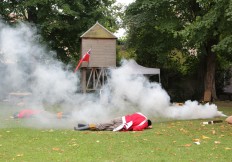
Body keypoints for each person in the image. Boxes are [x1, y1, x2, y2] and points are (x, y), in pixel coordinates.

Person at [74, 112, 152, 131]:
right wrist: (146, 127)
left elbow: (133, 114)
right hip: (121, 125)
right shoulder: (145, 124)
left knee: (102, 124)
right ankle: (81, 128)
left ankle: (82, 125)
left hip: (121, 118)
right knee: (101, 127)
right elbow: (136, 129)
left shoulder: (141, 114)